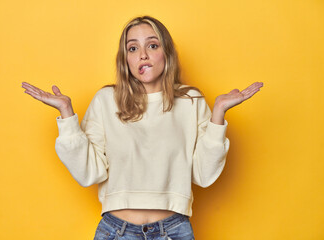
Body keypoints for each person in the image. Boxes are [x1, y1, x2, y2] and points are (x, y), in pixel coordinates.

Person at [22, 16, 263, 240]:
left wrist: (218, 113)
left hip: (173, 231)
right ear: (125, 59)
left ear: (166, 53)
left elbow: (204, 174)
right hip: (117, 231)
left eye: (153, 45)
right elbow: (89, 173)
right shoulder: (107, 100)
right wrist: (66, 114)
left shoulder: (191, 101)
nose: (143, 55)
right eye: (133, 48)